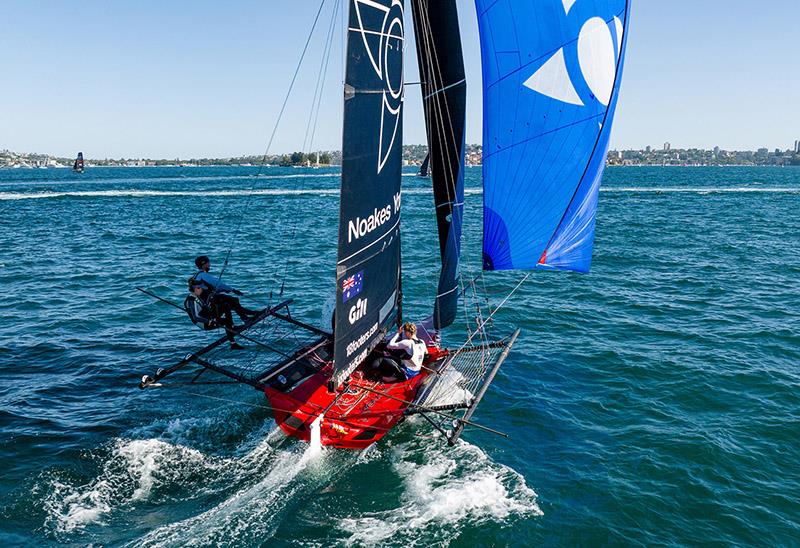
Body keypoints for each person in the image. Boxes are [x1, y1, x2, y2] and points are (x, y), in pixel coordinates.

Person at [190, 255, 260, 321]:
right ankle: (247, 317)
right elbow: (219, 285)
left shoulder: (196, 275)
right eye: (208, 263)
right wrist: (232, 290)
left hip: (207, 300)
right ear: (204, 264)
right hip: (210, 301)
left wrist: (226, 290)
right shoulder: (203, 275)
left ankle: (249, 315)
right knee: (234, 301)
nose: (209, 265)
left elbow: (213, 288)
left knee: (232, 302)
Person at [185, 278, 245, 349]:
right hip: (204, 323)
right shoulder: (191, 301)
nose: (202, 290)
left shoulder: (197, 296)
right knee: (226, 321)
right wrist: (209, 321)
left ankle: (232, 327)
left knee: (225, 306)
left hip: (207, 316)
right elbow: (196, 317)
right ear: (196, 288)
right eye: (201, 289)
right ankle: (233, 344)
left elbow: (204, 308)